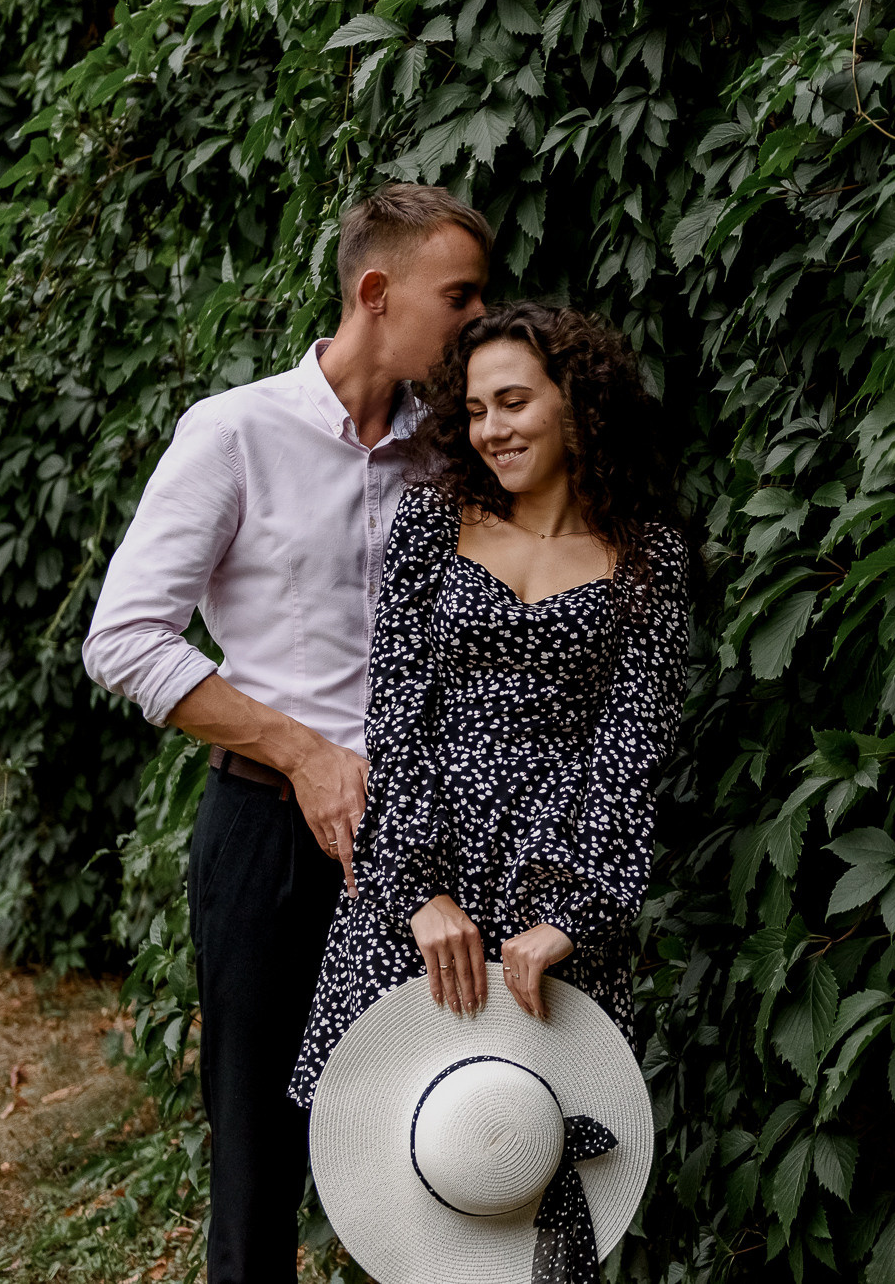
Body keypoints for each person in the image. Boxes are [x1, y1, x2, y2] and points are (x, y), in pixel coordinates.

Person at [82, 184, 492, 1284]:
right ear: (377, 291)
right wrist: (304, 753)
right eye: (459, 296)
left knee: (440, 1148)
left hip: (426, 852)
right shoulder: (234, 432)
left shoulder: (457, 456)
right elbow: (123, 640)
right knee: (258, 1167)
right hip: (264, 836)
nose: (477, 319)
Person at [288, 301, 690, 1111]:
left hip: (555, 873)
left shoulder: (649, 555)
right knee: (399, 1148)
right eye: (474, 410)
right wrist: (415, 891)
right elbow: (397, 717)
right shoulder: (435, 521)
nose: (491, 430)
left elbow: (633, 749)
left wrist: (577, 914)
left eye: (514, 402)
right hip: (422, 863)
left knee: (532, 1151)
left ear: (576, 401)